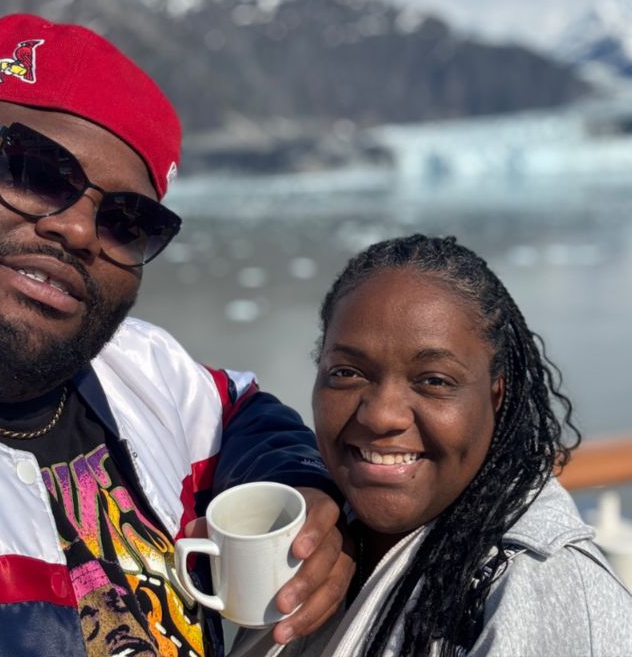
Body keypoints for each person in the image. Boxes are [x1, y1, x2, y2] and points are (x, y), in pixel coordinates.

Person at [0, 14, 352, 657]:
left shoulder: (141, 367)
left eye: (125, 221)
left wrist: (303, 488)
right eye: (35, 171)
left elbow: (241, 411)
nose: (78, 232)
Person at [270, 234, 632, 657]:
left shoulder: (542, 588)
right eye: (347, 373)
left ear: (496, 396)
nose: (382, 415)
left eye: (434, 380)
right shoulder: (314, 529)